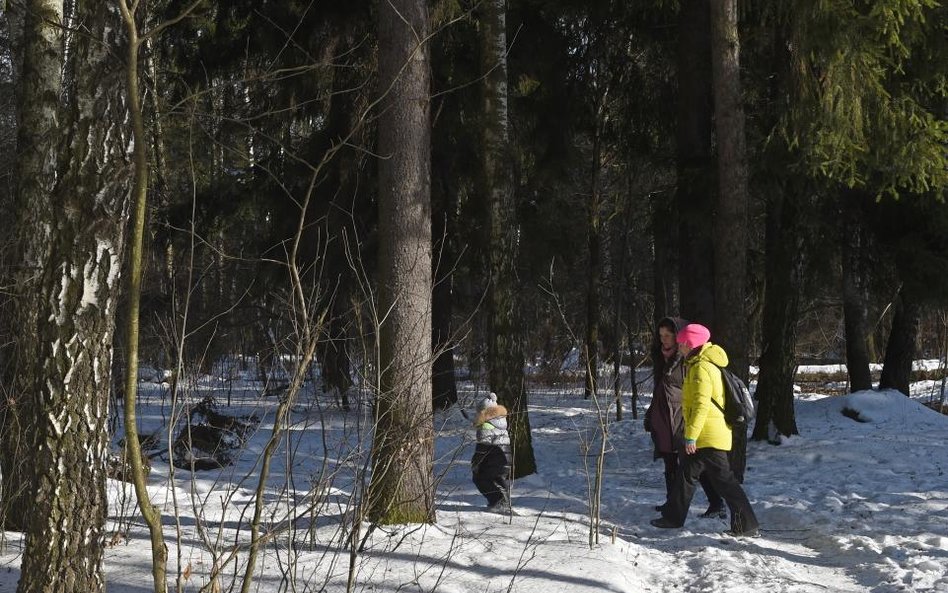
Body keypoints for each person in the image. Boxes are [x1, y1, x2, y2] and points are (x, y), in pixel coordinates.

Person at [650, 323, 760, 537]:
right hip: (707, 434)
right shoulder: (698, 364)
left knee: (725, 482)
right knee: (686, 475)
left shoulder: (701, 368)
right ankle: (672, 518)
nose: (679, 346)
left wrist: (690, 436)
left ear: (690, 344)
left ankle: (747, 525)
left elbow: (701, 406)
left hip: (709, 435)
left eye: (682, 343)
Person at [645, 317, 725, 518]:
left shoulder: (686, 359)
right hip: (664, 416)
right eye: (661, 335)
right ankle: (671, 503)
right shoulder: (660, 356)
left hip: (682, 415)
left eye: (668, 336)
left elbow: (695, 390)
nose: (664, 340)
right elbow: (659, 388)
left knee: (694, 461)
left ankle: (717, 503)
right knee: (669, 460)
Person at [471, 392, 512, 512]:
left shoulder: (486, 426)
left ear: (483, 412)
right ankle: (503, 503)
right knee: (498, 480)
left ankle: (497, 502)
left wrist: (475, 463)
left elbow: (482, 448)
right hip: (504, 458)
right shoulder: (500, 422)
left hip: (494, 459)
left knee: (479, 478)